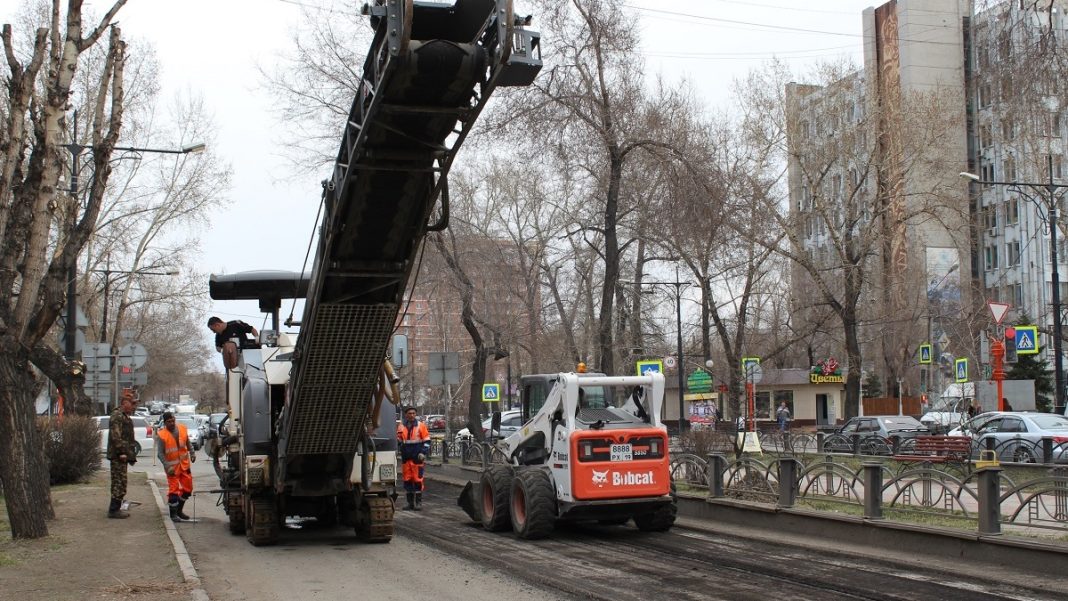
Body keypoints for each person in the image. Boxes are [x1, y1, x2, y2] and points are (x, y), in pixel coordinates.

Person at [156, 411, 196, 521]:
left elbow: (188, 443)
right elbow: (160, 454)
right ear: (165, 423)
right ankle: (173, 515)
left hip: (184, 465)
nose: (172, 423)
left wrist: (192, 453)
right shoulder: (162, 435)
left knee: (188, 489)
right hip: (172, 468)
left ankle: (179, 511)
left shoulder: (182, 429)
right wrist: (167, 466)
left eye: (173, 420)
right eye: (169, 422)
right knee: (173, 490)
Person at [107, 390, 139, 519]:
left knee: (122, 482)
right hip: (118, 455)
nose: (134, 406)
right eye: (132, 404)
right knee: (119, 482)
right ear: (125, 403)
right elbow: (116, 436)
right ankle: (114, 510)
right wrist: (122, 452)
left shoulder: (124, 416)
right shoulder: (117, 416)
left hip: (123, 455)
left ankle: (116, 508)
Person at [396, 407, 430, 511]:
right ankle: (410, 503)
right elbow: (398, 440)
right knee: (407, 480)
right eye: (409, 413)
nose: (411, 415)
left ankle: (418, 503)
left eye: (413, 413)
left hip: (417, 458)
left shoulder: (421, 426)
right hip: (406, 458)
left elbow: (427, 441)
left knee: (418, 480)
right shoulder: (401, 427)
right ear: (406, 414)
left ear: (415, 414)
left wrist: (423, 452)